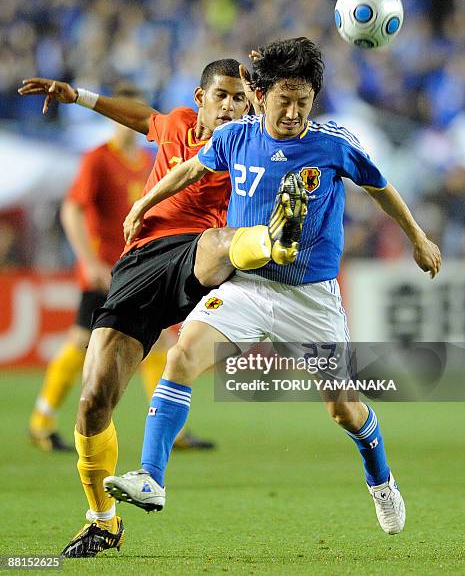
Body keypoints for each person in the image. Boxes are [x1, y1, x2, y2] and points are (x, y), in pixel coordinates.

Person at [104, 38, 442, 540]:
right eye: (284, 100)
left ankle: (381, 479)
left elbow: (379, 186)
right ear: (262, 96)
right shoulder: (237, 137)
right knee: (181, 357)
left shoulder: (332, 144)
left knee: (343, 410)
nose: (293, 112)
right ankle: (152, 477)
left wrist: (417, 236)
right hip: (247, 288)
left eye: (303, 102)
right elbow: (192, 168)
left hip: (311, 300)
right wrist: (142, 205)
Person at [18, 58, 304, 558]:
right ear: (200, 99)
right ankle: (103, 522)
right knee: (92, 404)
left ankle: (273, 240)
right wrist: (78, 95)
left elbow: (291, 139)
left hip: (199, 257)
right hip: (138, 266)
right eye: (223, 96)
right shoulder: (173, 124)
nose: (233, 106)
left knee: (217, 240)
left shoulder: (250, 145)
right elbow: (140, 116)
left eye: (242, 98)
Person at [28, 83, 213, 452]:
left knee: (160, 339)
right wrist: (88, 260)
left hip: (138, 263)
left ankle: (171, 428)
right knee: (82, 341)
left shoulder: (148, 160)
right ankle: (42, 419)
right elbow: (72, 209)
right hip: (103, 268)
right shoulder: (98, 158)